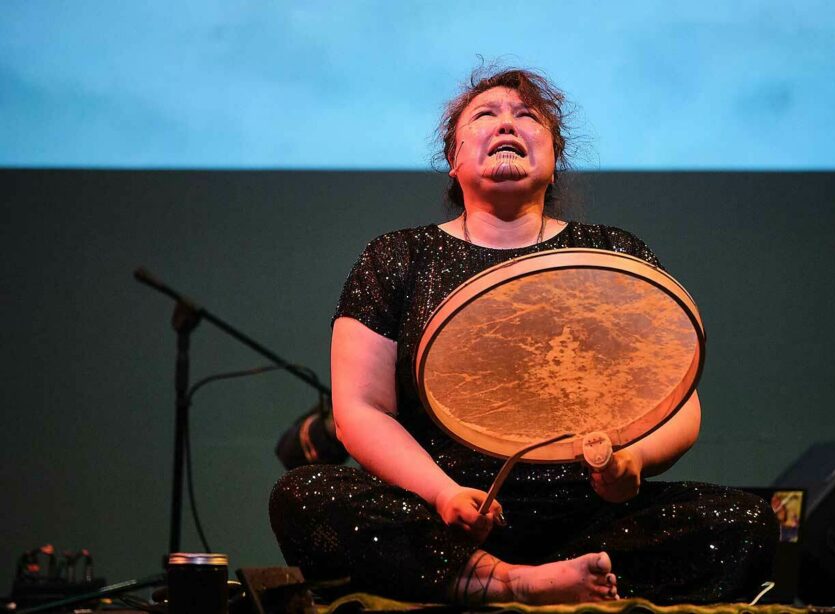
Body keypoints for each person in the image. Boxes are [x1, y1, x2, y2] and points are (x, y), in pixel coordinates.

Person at [270, 67, 777, 605]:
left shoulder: (610, 252)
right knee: (304, 494)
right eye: (485, 115)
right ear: (453, 159)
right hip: (449, 521)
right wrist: (442, 494)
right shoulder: (396, 257)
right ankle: (510, 582)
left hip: (589, 518)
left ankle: (568, 576)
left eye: (527, 117)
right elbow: (360, 410)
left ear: (555, 158)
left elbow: (678, 402)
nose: (506, 124)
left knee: (744, 520)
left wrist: (634, 463)